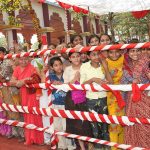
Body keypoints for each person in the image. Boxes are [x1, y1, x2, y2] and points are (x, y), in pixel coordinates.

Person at [80, 50, 110, 149]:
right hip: (91, 99)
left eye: (98, 54)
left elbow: (111, 82)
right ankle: (97, 146)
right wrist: (93, 79)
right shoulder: (84, 66)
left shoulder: (104, 63)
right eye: (93, 55)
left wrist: (105, 68)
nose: (97, 57)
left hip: (104, 97)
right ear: (88, 57)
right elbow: (82, 85)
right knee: (94, 125)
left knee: (105, 124)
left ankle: (107, 146)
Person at [121, 47, 150, 148]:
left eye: (138, 50)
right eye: (132, 51)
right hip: (131, 100)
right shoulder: (126, 66)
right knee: (133, 126)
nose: (135, 53)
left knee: (145, 125)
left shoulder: (145, 62)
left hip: (145, 98)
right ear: (128, 53)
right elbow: (123, 83)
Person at [11, 57, 44, 145]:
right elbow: (12, 81)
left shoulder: (33, 67)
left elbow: (35, 79)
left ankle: (39, 139)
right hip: (23, 94)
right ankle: (29, 138)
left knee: (35, 114)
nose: (23, 61)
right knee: (27, 115)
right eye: (21, 59)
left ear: (29, 60)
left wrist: (22, 82)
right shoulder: (17, 69)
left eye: (25, 59)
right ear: (18, 60)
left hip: (33, 94)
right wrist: (23, 80)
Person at [63, 52, 92, 150]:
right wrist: (75, 79)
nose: (76, 59)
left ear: (81, 57)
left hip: (86, 96)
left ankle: (90, 145)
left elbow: (88, 81)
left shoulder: (85, 66)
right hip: (71, 98)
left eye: (78, 56)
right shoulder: (67, 69)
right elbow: (65, 85)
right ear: (70, 59)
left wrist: (80, 80)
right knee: (75, 123)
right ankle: (81, 146)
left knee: (86, 122)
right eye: (73, 57)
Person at [106, 49, 125, 149]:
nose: (114, 54)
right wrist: (105, 66)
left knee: (123, 122)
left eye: (116, 51)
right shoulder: (106, 62)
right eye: (111, 52)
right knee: (113, 123)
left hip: (124, 95)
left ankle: (122, 146)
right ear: (107, 53)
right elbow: (108, 80)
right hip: (112, 96)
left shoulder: (124, 59)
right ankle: (114, 148)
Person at [49, 56, 68, 150]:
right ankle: (61, 146)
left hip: (66, 104)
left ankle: (70, 145)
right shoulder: (51, 76)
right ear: (52, 67)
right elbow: (45, 81)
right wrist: (52, 82)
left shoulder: (66, 74)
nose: (59, 67)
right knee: (58, 126)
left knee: (66, 126)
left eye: (60, 64)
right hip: (56, 104)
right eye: (56, 65)